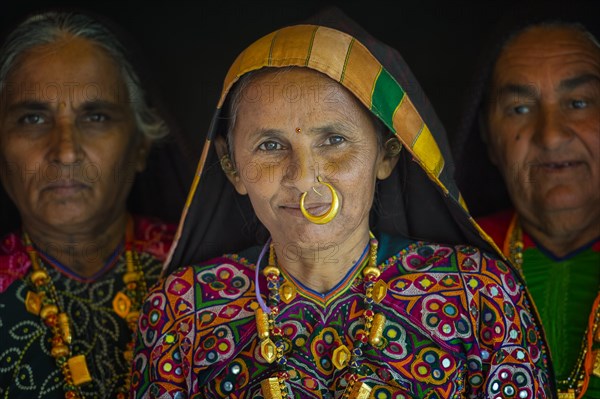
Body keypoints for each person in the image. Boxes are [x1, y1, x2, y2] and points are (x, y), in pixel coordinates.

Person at [131, 8, 554, 399]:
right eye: (271, 145)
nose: (303, 177)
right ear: (232, 166)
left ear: (386, 155)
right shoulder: (182, 310)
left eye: (333, 141)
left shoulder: (479, 294)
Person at [0, 11, 183, 399]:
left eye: (96, 116)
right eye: (33, 118)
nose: (65, 152)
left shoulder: (209, 277)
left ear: (140, 143)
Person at [452, 7, 600, 399]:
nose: (550, 136)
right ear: (488, 136)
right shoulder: (447, 270)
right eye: (519, 109)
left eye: (579, 102)